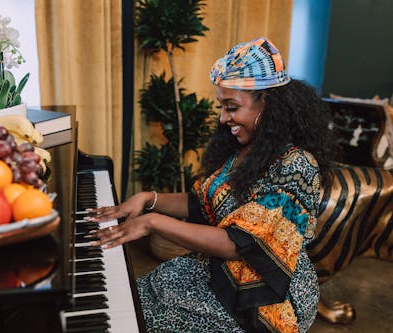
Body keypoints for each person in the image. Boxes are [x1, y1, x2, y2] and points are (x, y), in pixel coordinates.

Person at [87, 37, 340, 332]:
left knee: (146, 317)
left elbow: (239, 244)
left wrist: (152, 223)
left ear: (268, 104)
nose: (223, 118)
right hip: (220, 270)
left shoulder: (296, 165)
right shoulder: (245, 149)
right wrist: (147, 198)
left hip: (264, 294)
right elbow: (201, 201)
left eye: (232, 107)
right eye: (222, 106)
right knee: (135, 298)